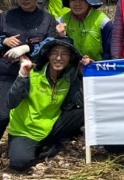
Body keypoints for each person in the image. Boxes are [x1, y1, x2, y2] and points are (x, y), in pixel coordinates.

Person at [0, 0, 58, 160]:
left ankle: (23, 144)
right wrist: (3, 41)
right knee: (4, 114)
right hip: (9, 73)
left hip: (36, 73)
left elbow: (51, 43)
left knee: (31, 112)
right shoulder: (5, 17)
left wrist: (29, 48)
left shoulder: (47, 19)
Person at [6, 36, 85, 171]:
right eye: (54, 53)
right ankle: (45, 147)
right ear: (48, 55)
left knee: (85, 111)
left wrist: (83, 75)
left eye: (64, 54)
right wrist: (22, 76)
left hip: (51, 125)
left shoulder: (69, 78)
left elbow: (80, 101)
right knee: (20, 163)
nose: (58, 58)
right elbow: (11, 102)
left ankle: (51, 143)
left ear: (71, 58)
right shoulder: (33, 74)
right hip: (26, 130)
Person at [55, 0, 113, 64]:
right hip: (72, 67)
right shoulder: (61, 21)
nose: (77, 4)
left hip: (98, 68)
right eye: (73, 0)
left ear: (89, 2)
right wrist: (62, 37)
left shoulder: (103, 22)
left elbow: (109, 51)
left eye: (82, 0)